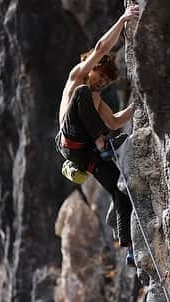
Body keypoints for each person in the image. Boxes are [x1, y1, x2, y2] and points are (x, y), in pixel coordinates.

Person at [55, 5, 139, 265]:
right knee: (82, 94)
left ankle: (130, 248)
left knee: (120, 188)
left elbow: (114, 120)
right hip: (70, 141)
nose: (100, 85)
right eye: (100, 78)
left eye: (105, 84)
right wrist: (123, 19)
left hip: (85, 153)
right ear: (92, 69)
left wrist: (139, 105)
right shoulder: (78, 78)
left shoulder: (96, 100)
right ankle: (103, 144)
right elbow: (102, 47)